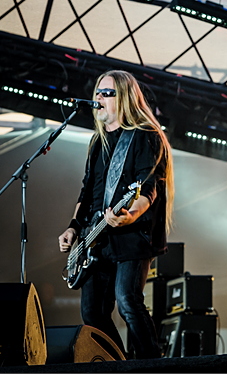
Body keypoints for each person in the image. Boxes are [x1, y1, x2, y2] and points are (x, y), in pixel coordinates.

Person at [58, 70, 175, 359]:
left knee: (128, 301)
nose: (99, 97)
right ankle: (118, 364)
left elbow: (148, 188)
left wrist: (130, 215)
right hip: (96, 236)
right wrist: (73, 227)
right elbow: (88, 191)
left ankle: (152, 365)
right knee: (92, 313)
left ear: (124, 98)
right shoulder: (97, 142)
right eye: (98, 92)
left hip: (132, 234)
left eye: (107, 93)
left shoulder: (145, 136)